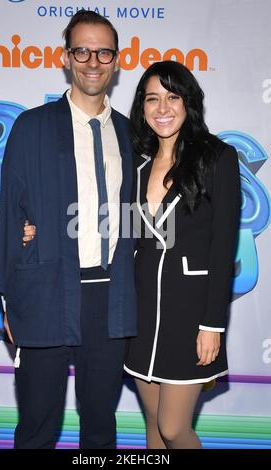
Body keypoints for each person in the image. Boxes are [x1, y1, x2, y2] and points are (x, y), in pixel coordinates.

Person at [0, 10, 136, 449]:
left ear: (116, 59)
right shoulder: (31, 127)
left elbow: (139, 216)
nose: (93, 61)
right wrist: (7, 300)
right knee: (37, 427)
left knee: (99, 429)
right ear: (67, 58)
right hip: (45, 294)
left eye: (103, 51)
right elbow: (11, 215)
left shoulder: (133, 135)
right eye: (82, 50)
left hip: (110, 300)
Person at [122, 61, 241, 449]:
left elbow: (223, 246)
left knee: (174, 428)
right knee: (155, 423)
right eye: (152, 99)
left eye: (172, 97)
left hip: (190, 316)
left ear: (188, 102)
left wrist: (213, 324)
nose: (162, 108)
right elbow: (120, 232)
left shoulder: (217, 158)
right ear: (142, 107)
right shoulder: (136, 164)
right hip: (141, 313)